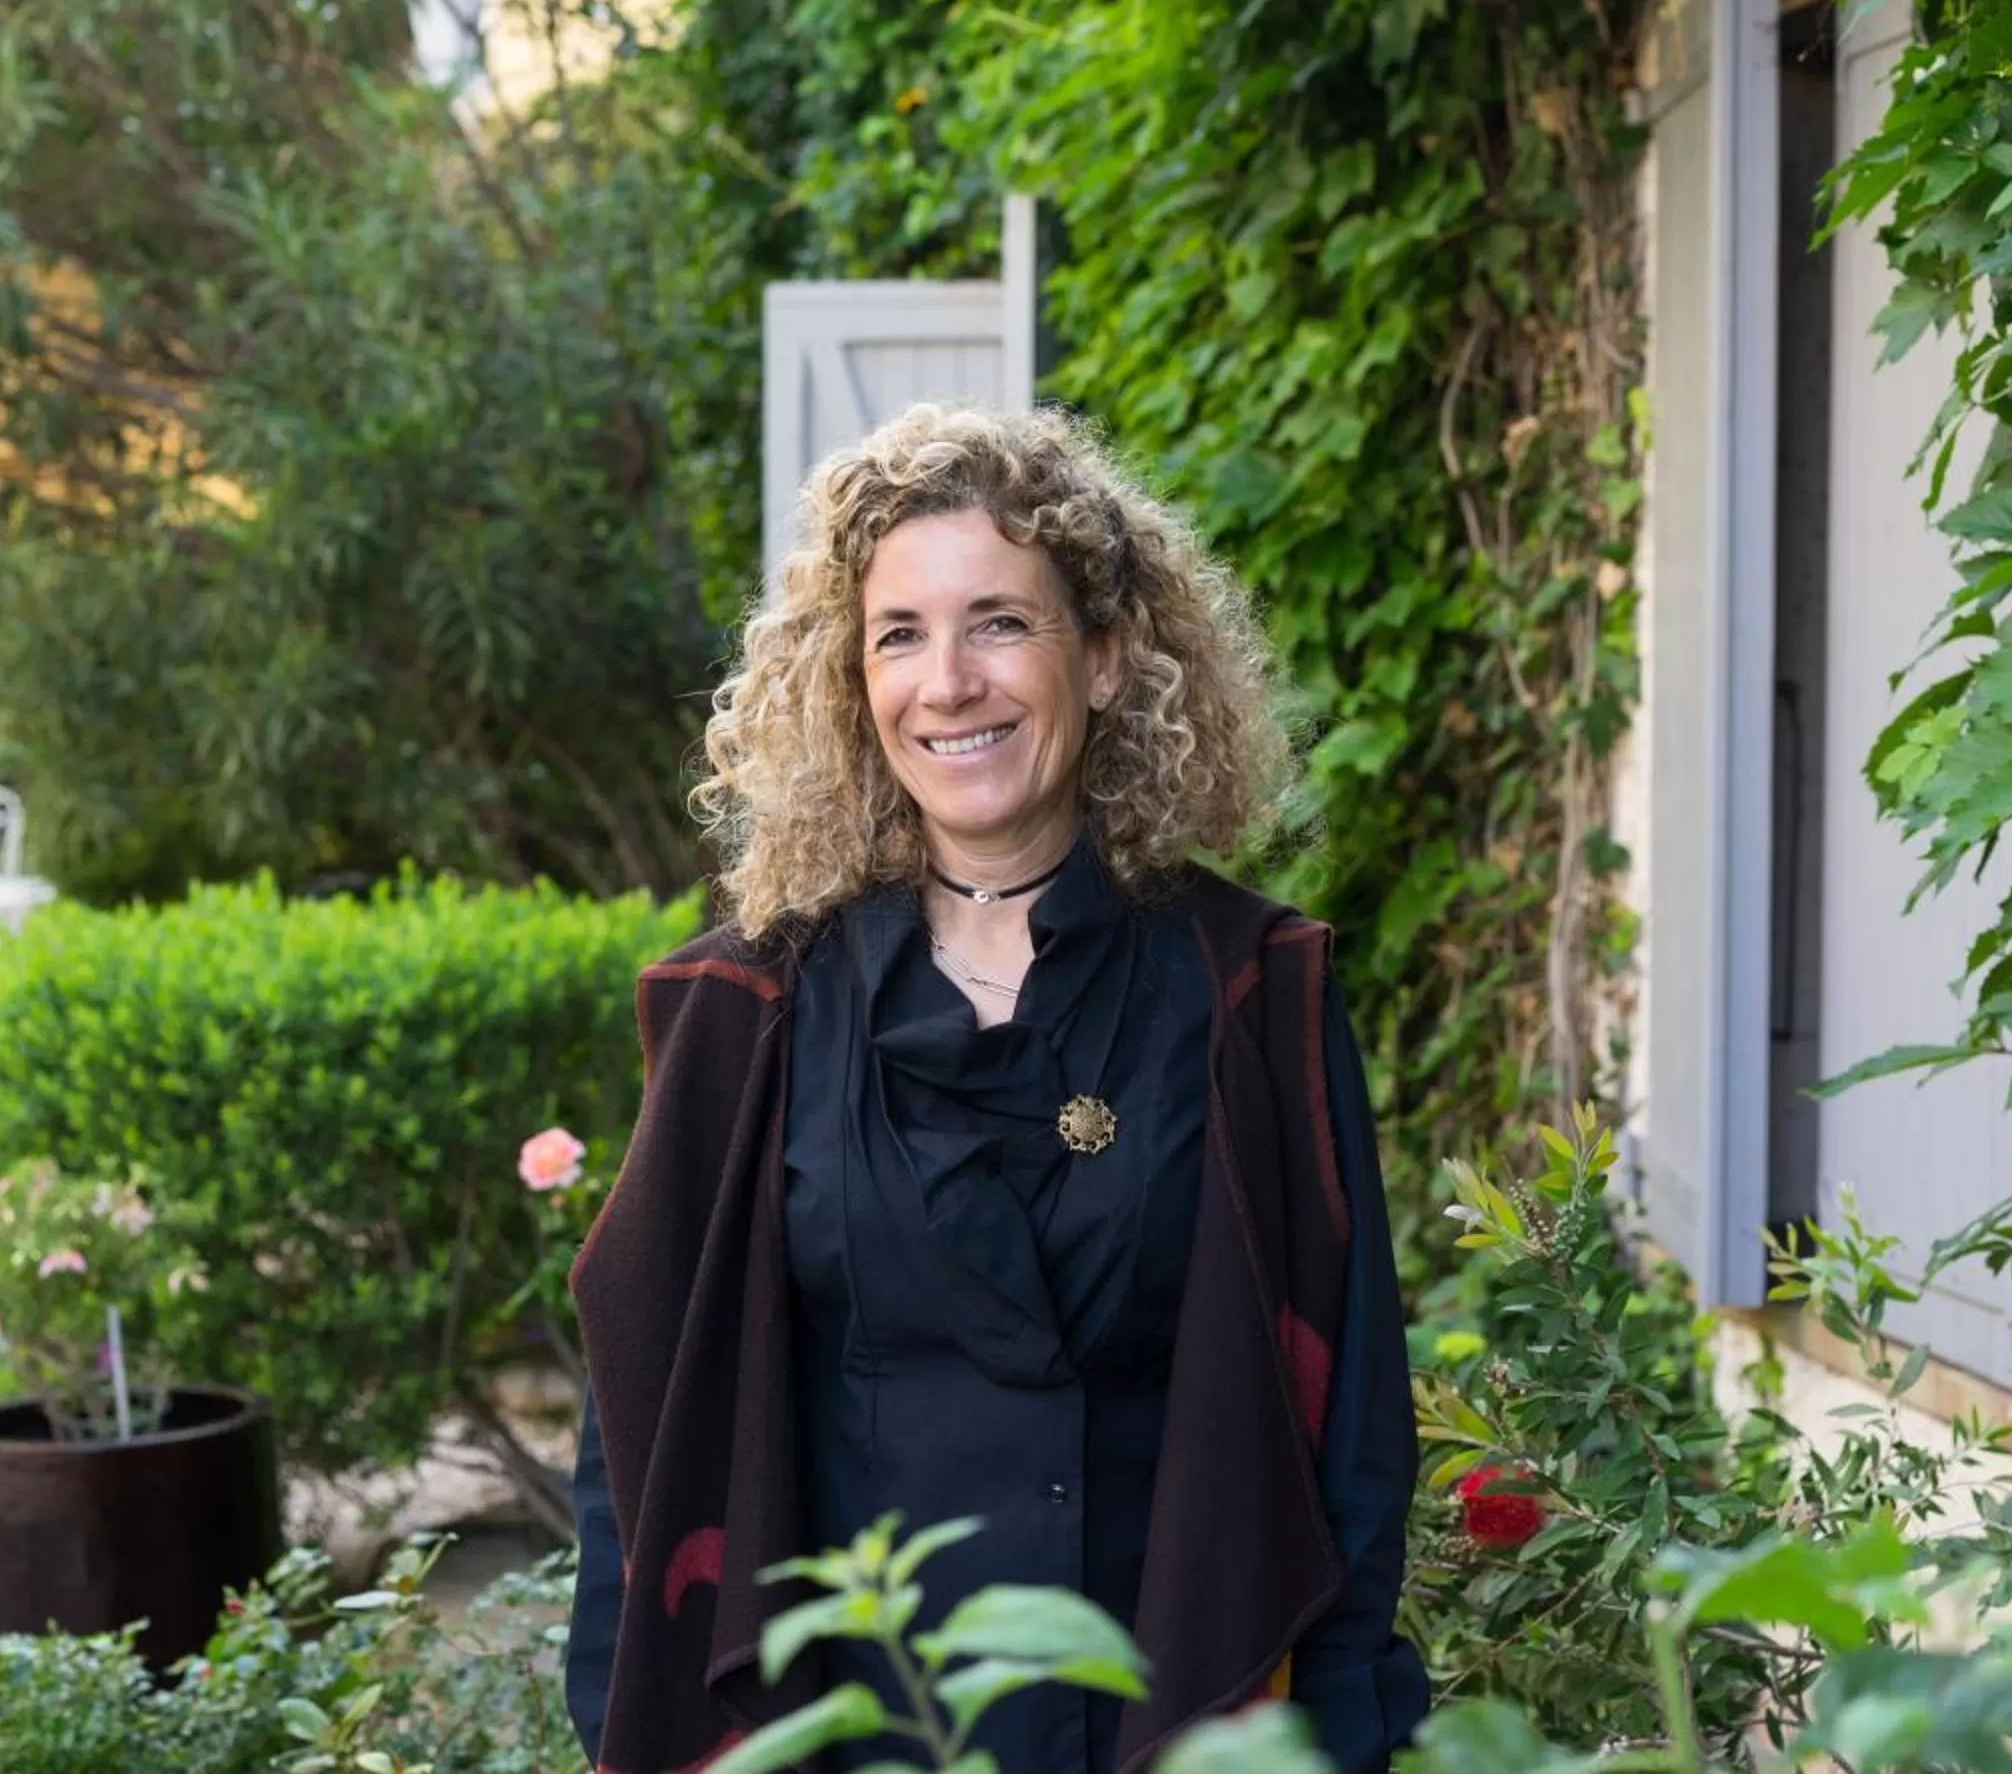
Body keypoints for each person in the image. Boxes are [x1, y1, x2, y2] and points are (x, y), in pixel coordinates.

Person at [564, 404, 1426, 1774]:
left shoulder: (1254, 992)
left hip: (1169, 1726)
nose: (948, 680)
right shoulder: (749, 1013)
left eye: (1002, 624)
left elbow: (1355, 1432)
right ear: (851, 683)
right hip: (852, 1733)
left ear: (1108, 655)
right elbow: (644, 1438)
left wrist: (1342, 1735)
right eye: (899, 633)